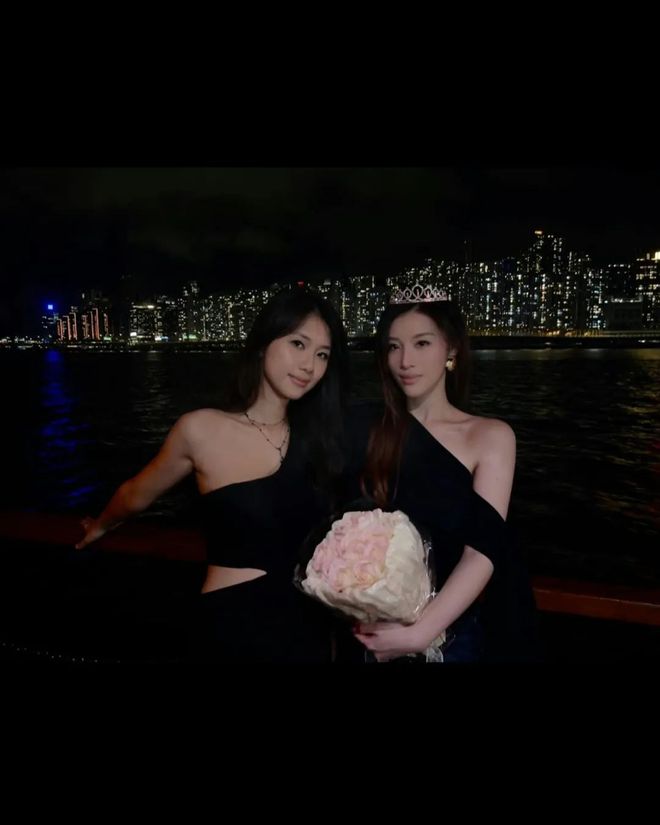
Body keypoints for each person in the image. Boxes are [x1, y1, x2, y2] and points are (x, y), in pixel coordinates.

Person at [76, 286, 349, 663]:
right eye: (298, 344)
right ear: (263, 344)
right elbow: (136, 494)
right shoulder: (201, 429)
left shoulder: (321, 439)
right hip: (236, 623)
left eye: (322, 355)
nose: (309, 366)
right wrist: (101, 525)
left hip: (309, 623)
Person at [340, 285, 539, 663]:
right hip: (370, 631)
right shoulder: (367, 428)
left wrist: (421, 633)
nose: (405, 361)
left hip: (449, 637)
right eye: (394, 346)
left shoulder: (490, 436)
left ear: (451, 349)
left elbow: (481, 551)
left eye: (422, 343)